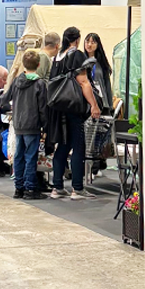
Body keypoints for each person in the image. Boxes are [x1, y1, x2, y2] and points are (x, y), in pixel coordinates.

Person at [46, 26, 99, 201]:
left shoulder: (57, 58)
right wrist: (94, 105)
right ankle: (77, 188)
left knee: (63, 145)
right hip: (73, 106)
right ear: (77, 39)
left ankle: (57, 187)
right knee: (78, 146)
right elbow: (83, 82)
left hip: (58, 107)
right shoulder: (76, 55)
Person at [0, 49, 48, 199]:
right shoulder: (40, 84)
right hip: (32, 125)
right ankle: (30, 189)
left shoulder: (16, 81)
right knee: (30, 157)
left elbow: (5, 97)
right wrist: (45, 126)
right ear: (38, 65)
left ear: (23, 64)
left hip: (18, 125)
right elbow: (42, 108)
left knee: (18, 156)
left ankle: (18, 188)